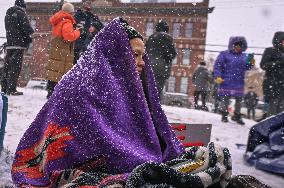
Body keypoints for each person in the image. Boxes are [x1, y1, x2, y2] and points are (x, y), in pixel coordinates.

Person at [11, 18, 232, 187]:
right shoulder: (82, 87)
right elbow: (94, 144)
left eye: (142, 56)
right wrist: (140, 155)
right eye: (135, 55)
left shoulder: (123, 86)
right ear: (116, 53)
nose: (141, 62)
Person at [214, 36, 255, 125]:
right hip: (225, 81)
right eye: (236, 45)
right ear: (232, 45)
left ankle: (237, 116)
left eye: (240, 46)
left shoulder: (244, 56)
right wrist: (218, 76)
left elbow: (247, 67)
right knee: (225, 99)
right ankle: (224, 115)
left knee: (239, 100)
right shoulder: (224, 54)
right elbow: (218, 66)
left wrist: (251, 61)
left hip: (239, 82)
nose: (238, 47)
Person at [46, 2, 80, 98]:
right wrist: (77, 32)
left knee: (54, 70)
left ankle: (50, 91)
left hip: (56, 49)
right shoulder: (67, 22)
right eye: (72, 12)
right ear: (70, 12)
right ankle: (55, 93)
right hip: (63, 50)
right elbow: (69, 36)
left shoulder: (58, 20)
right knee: (61, 71)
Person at [1, 0, 34, 96]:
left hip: (10, 44)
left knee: (7, 67)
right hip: (18, 45)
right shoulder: (21, 13)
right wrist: (29, 36)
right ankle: (11, 89)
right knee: (15, 67)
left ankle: (4, 88)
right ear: (23, 6)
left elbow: (10, 29)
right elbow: (27, 28)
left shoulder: (8, 14)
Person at [145, 20, 176, 98]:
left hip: (149, 66)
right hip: (161, 68)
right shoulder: (168, 38)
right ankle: (154, 107)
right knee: (157, 90)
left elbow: (145, 51)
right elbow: (172, 54)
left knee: (147, 87)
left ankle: (145, 106)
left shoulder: (151, 37)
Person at [260, 31, 284, 116]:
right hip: (272, 84)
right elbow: (263, 65)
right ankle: (270, 127)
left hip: (282, 86)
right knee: (272, 109)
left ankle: (278, 128)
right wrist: (278, 63)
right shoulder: (270, 51)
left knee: (281, 110)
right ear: (278, 40)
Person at [73, 0, 102, 64]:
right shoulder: (77, 16)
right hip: (77, 49)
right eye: (87, 1)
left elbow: (102, 30)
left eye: (90, 2)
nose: (89, 3)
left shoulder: (94, 18)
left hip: (90, 50)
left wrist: (95, 28)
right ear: (83, 3)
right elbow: (73, 30)